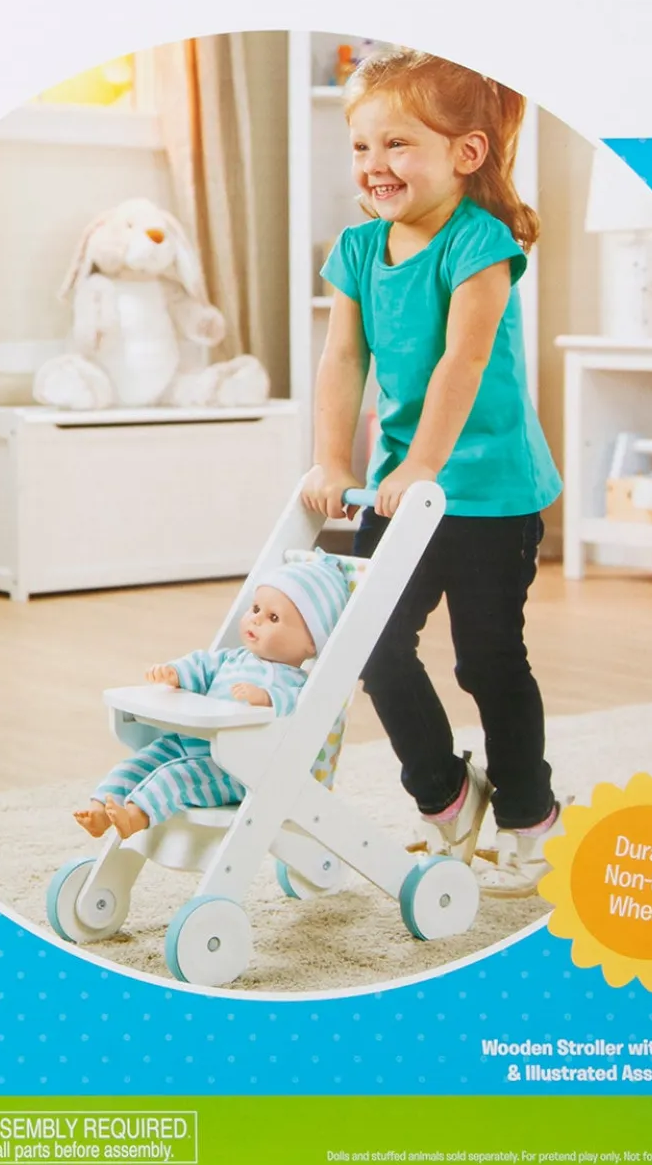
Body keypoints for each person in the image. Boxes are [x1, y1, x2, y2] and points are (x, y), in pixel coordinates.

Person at [300, 47, 563, 896]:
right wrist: (333, 459)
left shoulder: (479, 244)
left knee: (489, 660)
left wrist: (423, 462)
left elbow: (463, 361)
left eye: (398, 144)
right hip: (398, 492)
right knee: (371, 647)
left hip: (490, 494)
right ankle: (446, 797)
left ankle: (529, 815)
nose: (374, 164)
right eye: (361, 147)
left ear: (466, 153)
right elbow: (343, 361)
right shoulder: (357, 249)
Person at [73, 557, 350, 839]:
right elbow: (201, 665)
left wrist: (266, 698)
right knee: (138, 764)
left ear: (311, 642)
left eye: (273, 618)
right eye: (255, 609)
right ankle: (99, 811)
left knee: (175, 779)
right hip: (187, 743)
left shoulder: (296, 681)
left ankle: (135, 816)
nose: (256, 619)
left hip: (236, 768)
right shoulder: (233, 658)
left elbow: (298, 705)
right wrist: (176, 673)